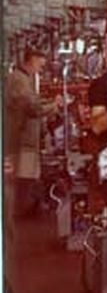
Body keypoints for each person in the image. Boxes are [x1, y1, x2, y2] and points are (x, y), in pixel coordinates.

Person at [4, 49, 63, 216]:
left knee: (25, 176)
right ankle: (20, 211)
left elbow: (33, 101)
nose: (42, 67)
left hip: (24, 137)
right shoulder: (19, 79)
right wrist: (54, 105)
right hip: (20, 138)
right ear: (32, 59)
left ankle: (23, 208)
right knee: (23, 177)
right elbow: (32, 108)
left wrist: (49, 102)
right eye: (40, 63)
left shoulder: (24, 78)